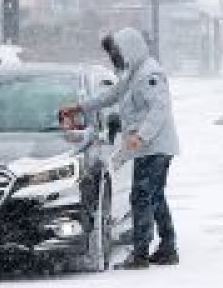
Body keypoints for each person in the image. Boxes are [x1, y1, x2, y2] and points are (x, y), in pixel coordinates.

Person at [64, 28, 180, 269]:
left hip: (154, 147)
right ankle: (167, 247)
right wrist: (81, 108)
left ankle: (140, 255)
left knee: (141, 197)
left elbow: (159, 109)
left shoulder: (150, 73)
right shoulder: (133, 74)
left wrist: (141, 136)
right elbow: (111, 95)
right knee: (154, 197)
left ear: (131, 48)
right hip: (147, 147)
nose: (116, 57)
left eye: (118, 51)